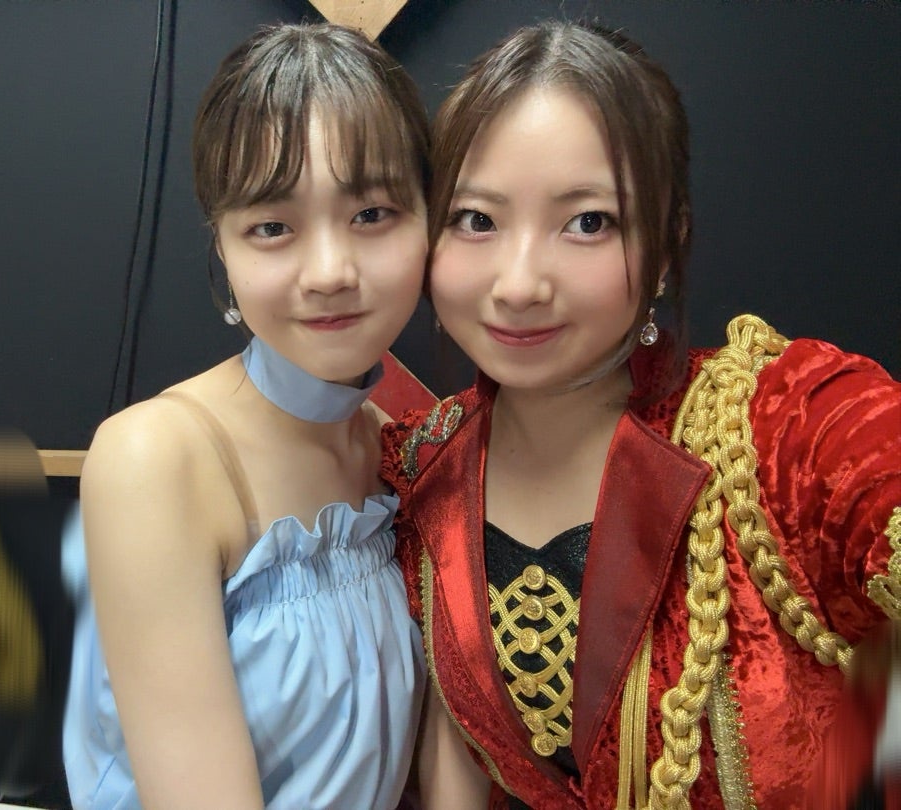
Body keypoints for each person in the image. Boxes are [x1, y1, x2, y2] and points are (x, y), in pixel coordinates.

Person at [382, 20, 901, 809]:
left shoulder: (780, 429)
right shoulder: (419, 470)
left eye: (588, 222)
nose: (518, 285)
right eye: (476, 220)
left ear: (665, 245)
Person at [63, 22, 430, 810]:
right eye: (272, 227)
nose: (329, 272)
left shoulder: (395, 449)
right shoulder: (155, 459)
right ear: (223, 252)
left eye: (372, 213)